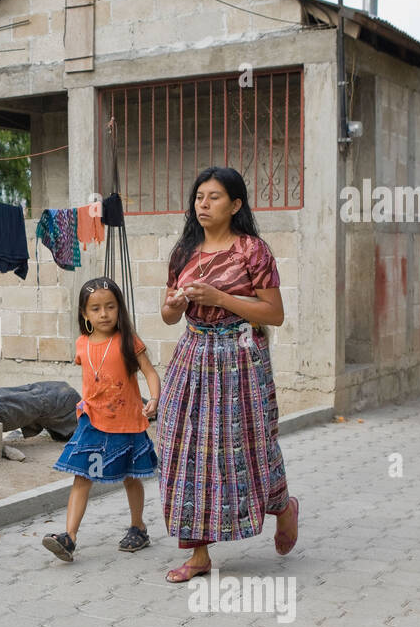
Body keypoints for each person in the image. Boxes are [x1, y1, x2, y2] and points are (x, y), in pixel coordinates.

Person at [157, 166, 300, 583]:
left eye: (214, 196)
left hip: (240, 357)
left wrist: (220, 297)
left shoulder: (252, 252)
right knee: (184, 449)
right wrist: (175, 305)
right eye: (199, 196)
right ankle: (198, 554)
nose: (203, 203)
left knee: (248, 446)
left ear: (235, 205)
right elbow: (167, 317)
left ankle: (282, 507)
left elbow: (273, 314)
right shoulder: (184, 252)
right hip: (192, 354)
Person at [43, 277, 161, 561]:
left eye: (110, 306)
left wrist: (154, 399)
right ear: (85, 314)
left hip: (128, 421)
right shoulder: (82, 344)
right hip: (92, 421)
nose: (104, 313)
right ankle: (69, 537)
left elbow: (150, 373)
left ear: (119, 308)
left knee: (131, 477)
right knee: (82, 476)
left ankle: (138, 527)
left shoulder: (129, 341)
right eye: (95, 309)